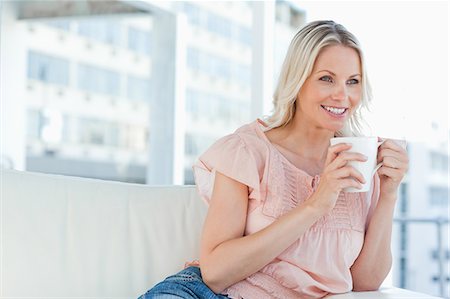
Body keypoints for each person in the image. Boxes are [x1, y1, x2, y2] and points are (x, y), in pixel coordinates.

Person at [139, 20, 409, 299]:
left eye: (353, 81)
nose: (343, 95)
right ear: (297, 80)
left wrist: (389, 193)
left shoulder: (360, 165)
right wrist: (317, 203)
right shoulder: (247, 151)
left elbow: (365, 282)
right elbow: (216, 274)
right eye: (326, 78)